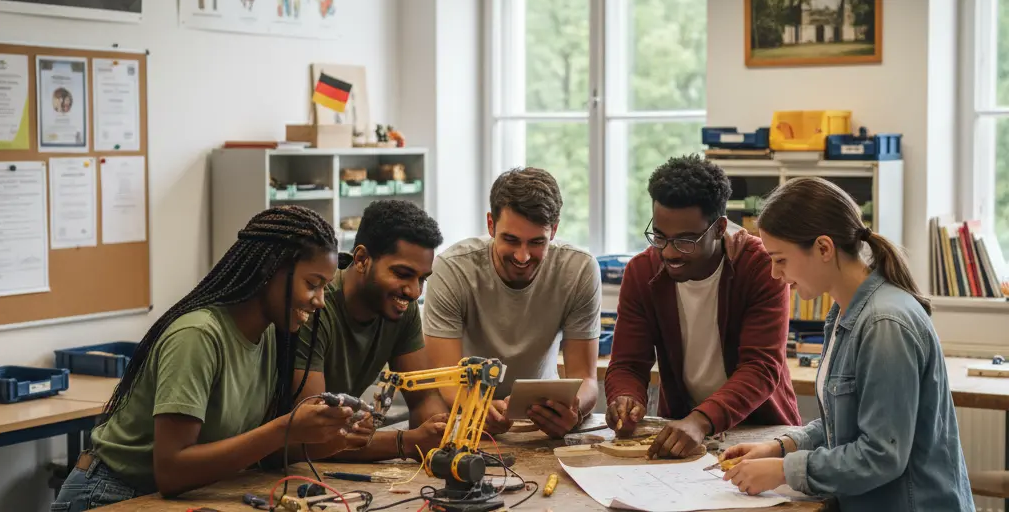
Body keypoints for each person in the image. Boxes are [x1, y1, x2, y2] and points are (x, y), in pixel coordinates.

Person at [51, 206, 363, 511]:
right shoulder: (198, 335)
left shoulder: (271, 335)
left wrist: (329, 438)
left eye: (324, 286)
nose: (320, 301)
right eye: (312, 284)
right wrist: (285, 429)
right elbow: (172, 472)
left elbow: (260, 451)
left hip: (175, 495)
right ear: (270, 270)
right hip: (112, 495)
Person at [721, 177, 974, 511]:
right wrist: (781, 447)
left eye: (780, 259)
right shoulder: (844, 313)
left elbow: (881, 456)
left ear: (824, 248)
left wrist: (784, 471)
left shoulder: (884, 324)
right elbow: (845, 423)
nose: (773, 274)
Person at [604, 155, 800, 460]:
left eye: (685, 240)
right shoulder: (641, 272)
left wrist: (701, 420)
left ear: (719, 228)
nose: (669, 252)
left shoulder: (761, 267)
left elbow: (760, 368)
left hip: (761, 435)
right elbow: (628, 364)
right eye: (659, 236)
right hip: (682, 433)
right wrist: (624, 397)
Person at [422, 167, 601, 439]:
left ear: (554, 230)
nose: (522, 256)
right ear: (491, 224)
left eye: (537, 242)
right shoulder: (452, 269)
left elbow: (586, 379)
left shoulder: (579, 270)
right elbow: (447, 379)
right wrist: (477, 407)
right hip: (470, 422)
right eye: (511, 240)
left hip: (544, 425)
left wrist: (574, 409)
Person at [292, 199, 451, 462]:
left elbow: (424, 397)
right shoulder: (314, 309)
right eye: (402, 274)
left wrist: (438, 434)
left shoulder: (401, 309)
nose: (413, 292)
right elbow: (314, 432)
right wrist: (407, 442)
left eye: (422, 279)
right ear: (362, 259)